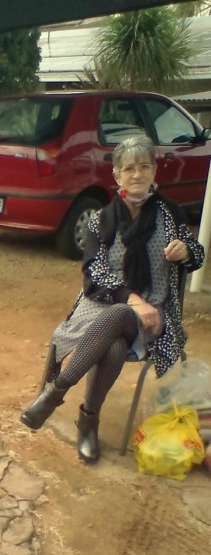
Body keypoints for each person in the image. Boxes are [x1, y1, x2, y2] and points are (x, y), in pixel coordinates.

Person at [20, 134, 204, 463]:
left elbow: (198, 255)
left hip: (155, 313)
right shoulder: (101, 220)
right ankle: (88, 421)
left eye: (144, 166)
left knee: (121, 315)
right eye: (129, 168)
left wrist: (187, 250)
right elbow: (95, 273)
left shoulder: (171, 215)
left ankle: (55, 392)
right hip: (100, 306)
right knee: (115, 344)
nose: (137, 174)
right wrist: (134, 300)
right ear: (117, 175)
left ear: (154, 171)